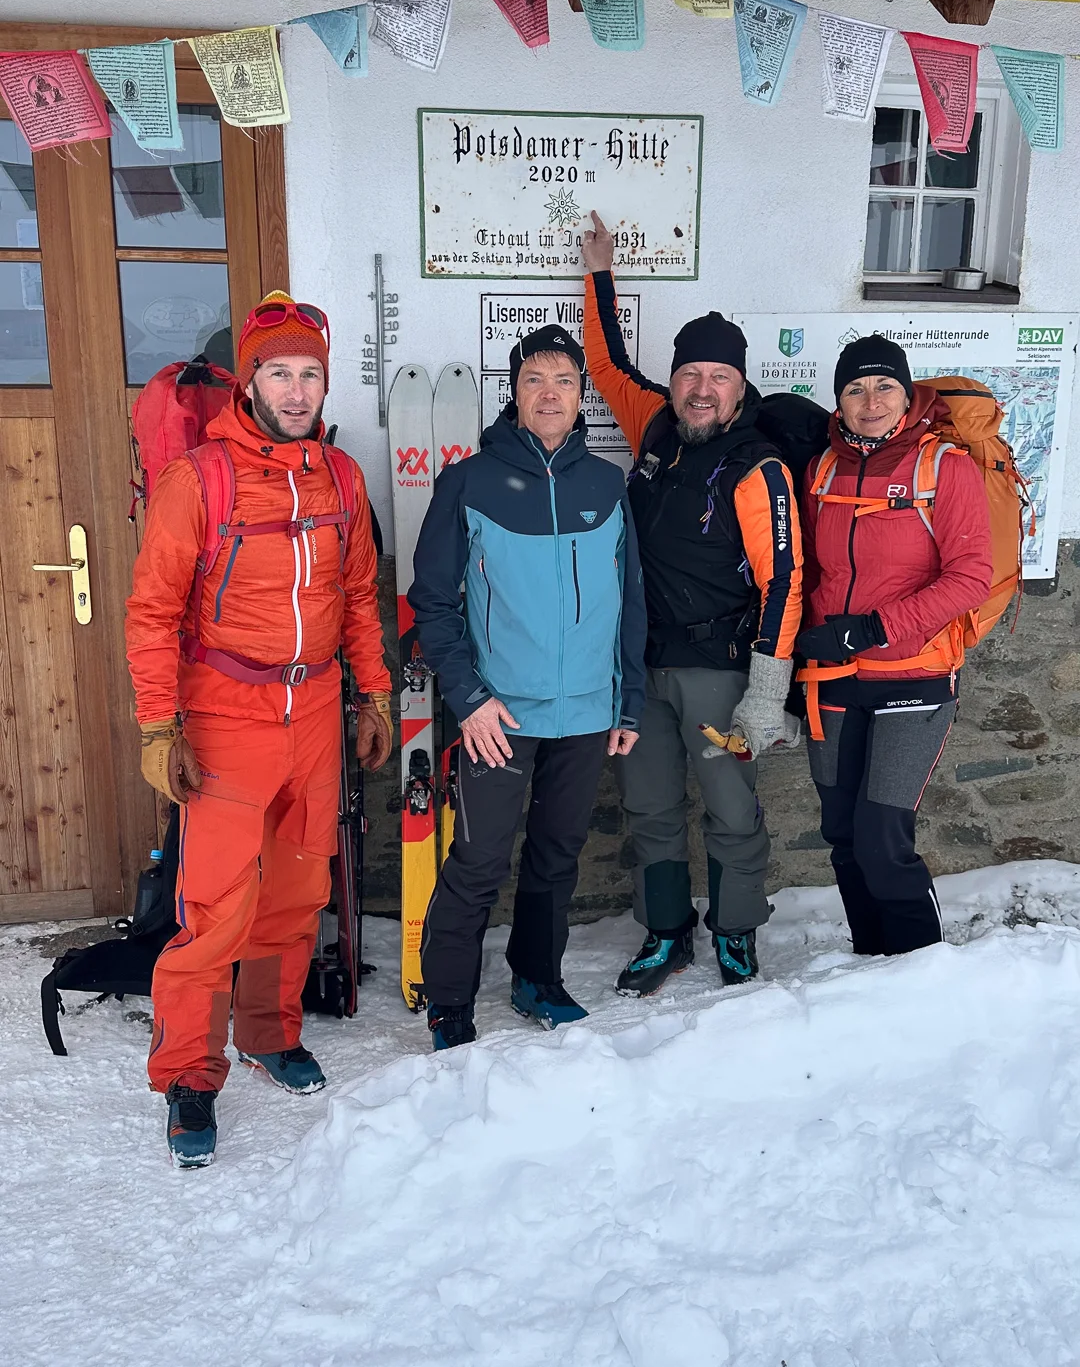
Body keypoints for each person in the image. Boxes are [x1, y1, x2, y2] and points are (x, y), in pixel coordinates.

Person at [126, 291, 394, 1168]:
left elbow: (358, 598)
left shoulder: (343, 478)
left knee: (296, 890)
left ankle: (270, 1033)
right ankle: (190, 1077)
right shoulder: (196, 478)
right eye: (279, 371)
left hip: (315, 710)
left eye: (309, 373)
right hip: (228, 714)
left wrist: (375, 697)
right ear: (251, 380)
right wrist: (160, 725)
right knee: (214, 907)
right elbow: (153, 609)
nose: (296, 389)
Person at [581, 213, 802, 997]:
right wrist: (599, 274)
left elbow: (785, 580)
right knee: (648, 809)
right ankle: (665, 931)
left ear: (740, 389)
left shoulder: (757, 467)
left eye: (719, 378)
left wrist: (766, 695)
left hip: (721, 672)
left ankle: (736, 931)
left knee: (730, 808)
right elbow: (605, 362)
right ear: (673, 382)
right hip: (644, 667)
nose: (701, 390)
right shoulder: (654, 428)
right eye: (689, 375)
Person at [409, 324, 647, 1049]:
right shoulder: (469, 482)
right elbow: (433, 603)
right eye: (535, 380)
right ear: (514, 393)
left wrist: (626, 698)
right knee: (479, 858)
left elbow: (630, 599)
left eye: (565, 381)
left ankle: (537, 977)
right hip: (499, 716)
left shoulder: (607, 487)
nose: (550, 394)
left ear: (582, 398)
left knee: (556, 855)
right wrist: (470, 700)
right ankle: (450, 999)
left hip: (583, 715)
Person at [797, 333, 992, 956]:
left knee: (882, 833)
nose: (870, 400)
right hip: (831, 679)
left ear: (907, 396)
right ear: (839, 401)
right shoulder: (822, 468)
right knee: (843, 834)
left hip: (914, 676)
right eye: (855, 388)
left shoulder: (944, 467)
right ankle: (871, 959)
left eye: (884, 386)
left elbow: (970, 578)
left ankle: (918, 965)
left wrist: (872, 628)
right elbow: (805, 569)